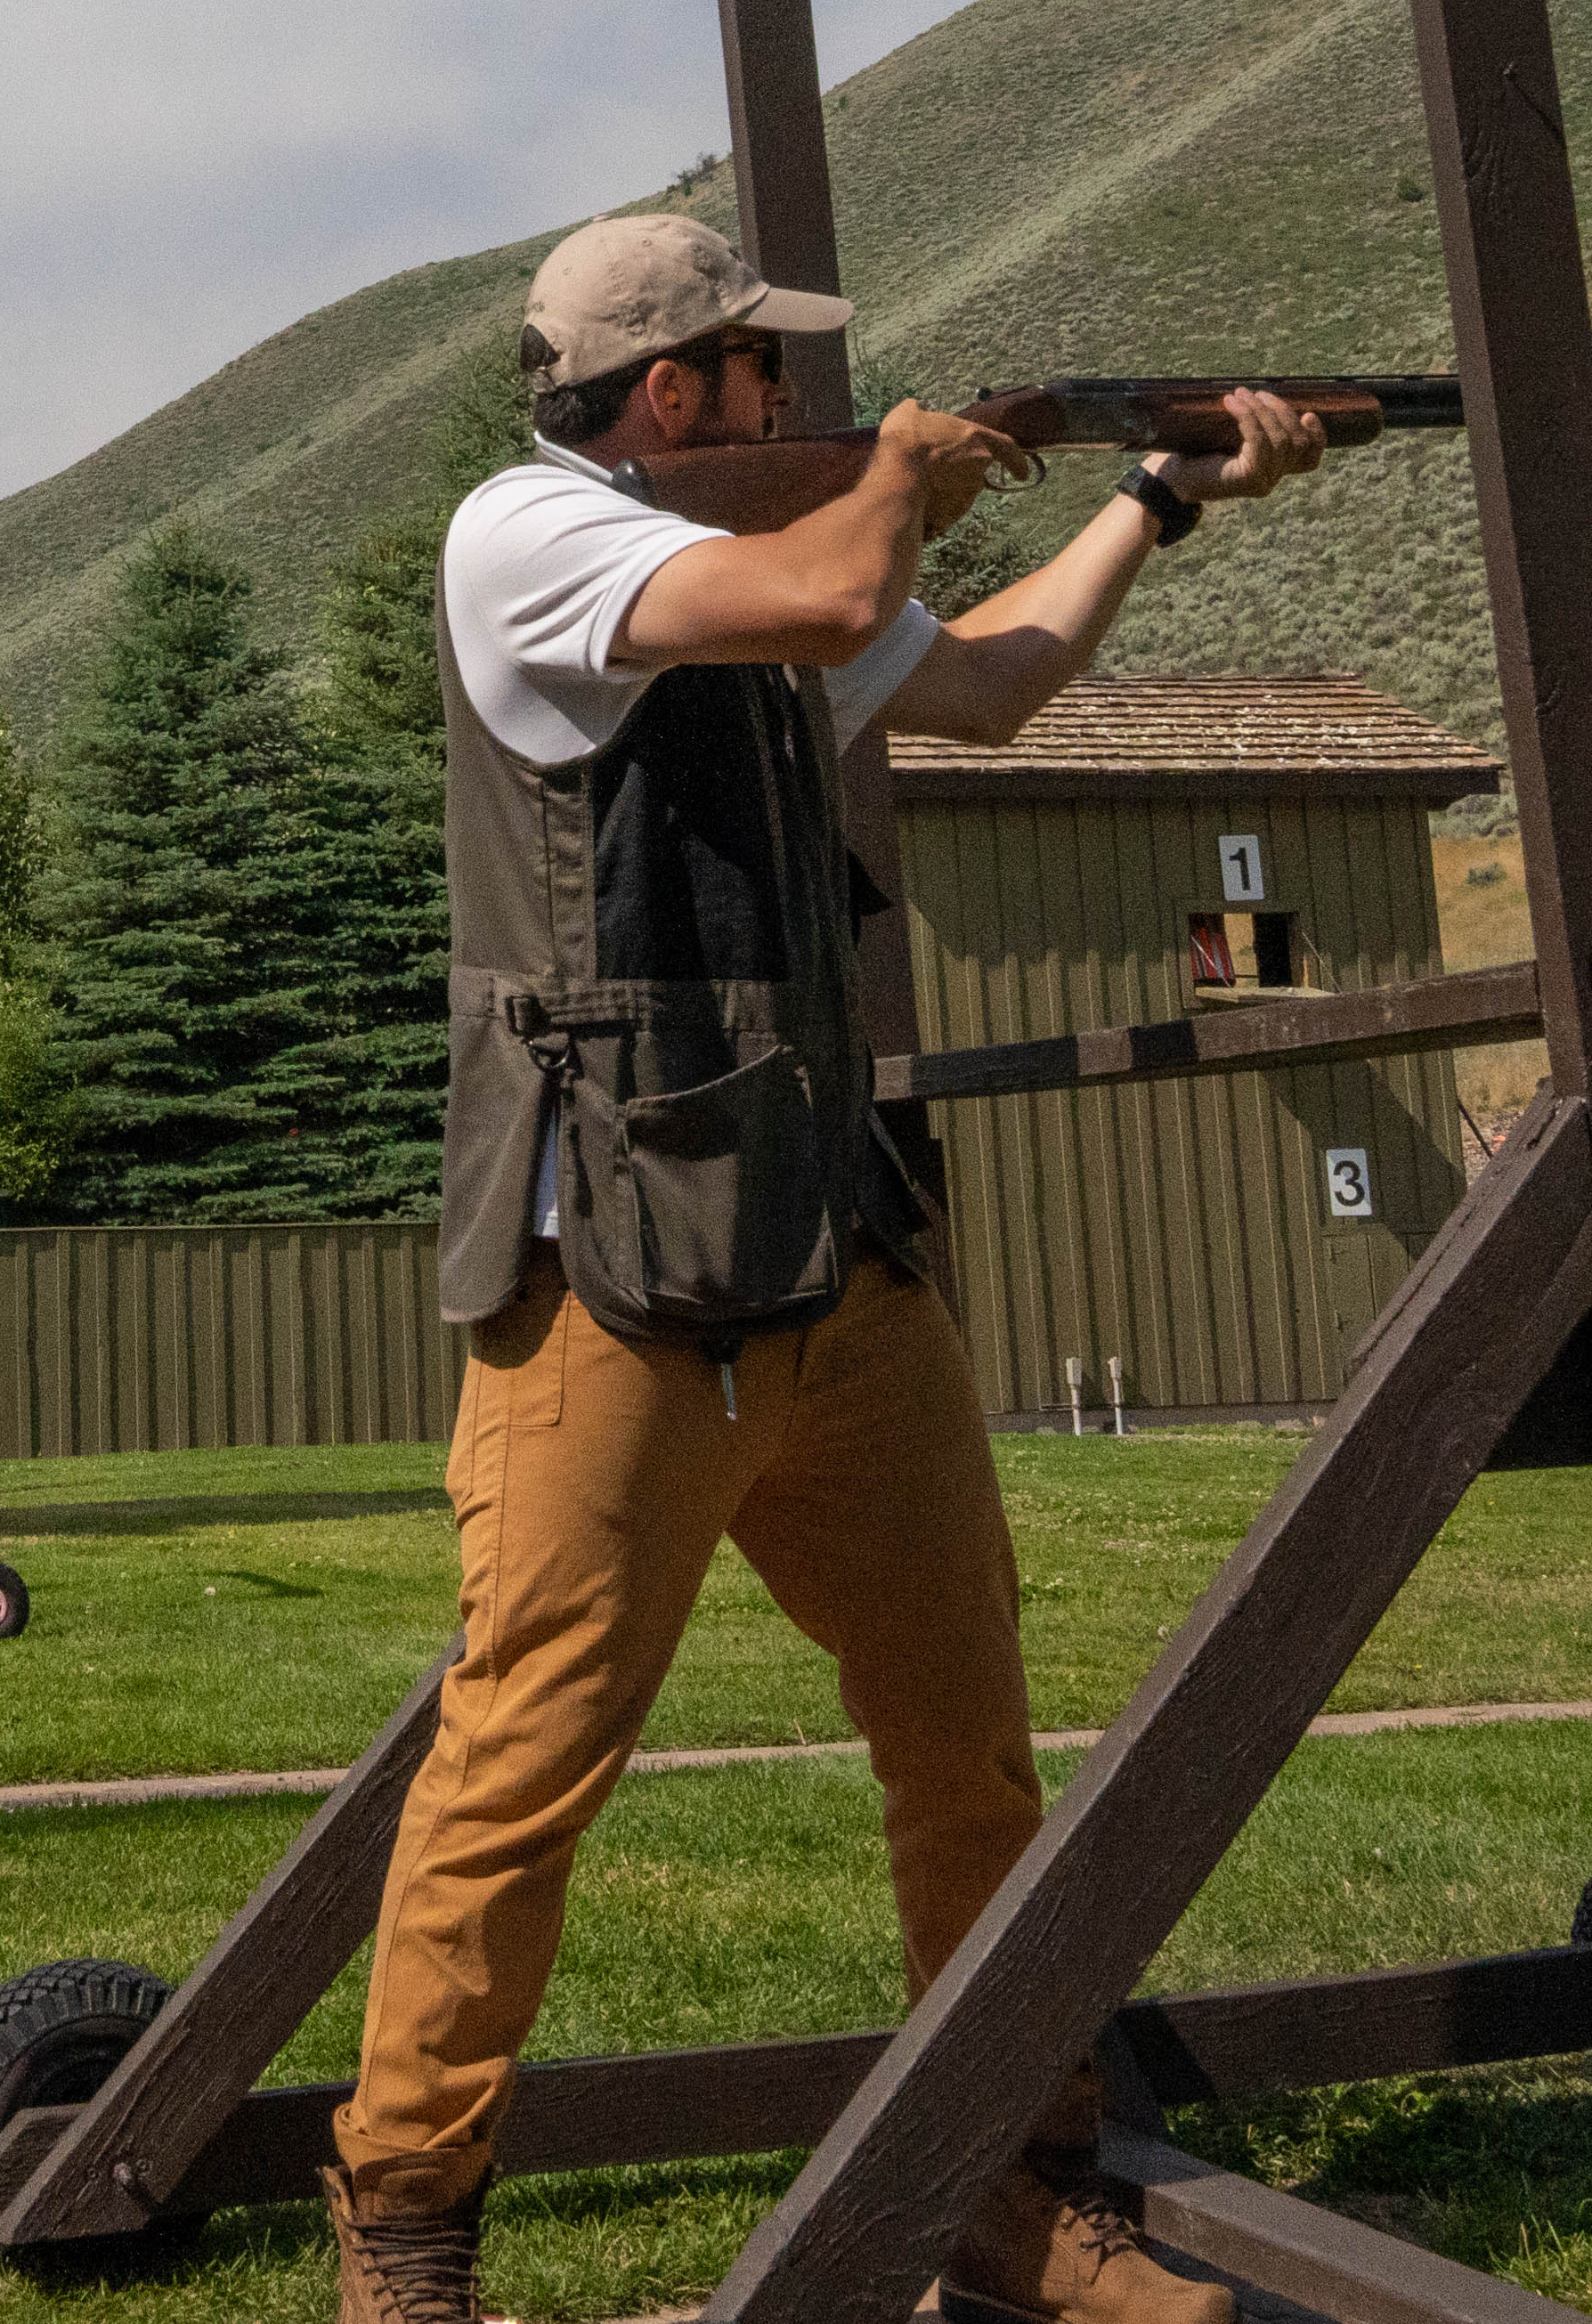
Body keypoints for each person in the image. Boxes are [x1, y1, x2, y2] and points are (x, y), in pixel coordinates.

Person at [322, 215, 1333, 2324]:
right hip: (606, 1256)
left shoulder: (767, 563)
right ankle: (401, 2239)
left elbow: (985, 684)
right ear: (675, 392)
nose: (783, 400)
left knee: (963, 1744)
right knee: (518, 1763)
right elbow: (840, 582)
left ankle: (999, 2180)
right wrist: (902, 469)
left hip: (817, 1238)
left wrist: (1156, 494)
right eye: (754, 374)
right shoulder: (521, 534)